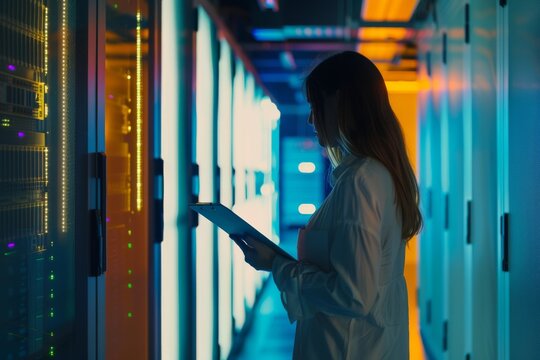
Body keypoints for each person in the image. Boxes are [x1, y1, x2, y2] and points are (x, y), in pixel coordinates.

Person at [231, 51, 422, 359]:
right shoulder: (376, 175)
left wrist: (278, 267)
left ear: (340, 103)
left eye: (315, 105)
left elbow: (353, 295)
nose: (310, 118)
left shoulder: (360, 182)